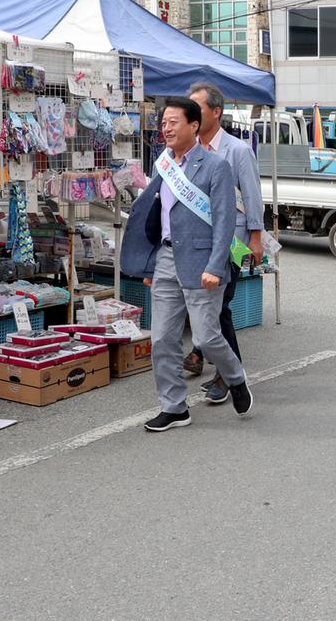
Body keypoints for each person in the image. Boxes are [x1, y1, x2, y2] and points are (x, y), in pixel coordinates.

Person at [121, 97, 252, 432]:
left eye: (173, 122)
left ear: (194, 126)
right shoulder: (161, 163)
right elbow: (155, 216)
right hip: (165, 259)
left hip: (202, 261)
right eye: (163, 122)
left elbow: (224, 221)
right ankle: (175, 407)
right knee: (163, 338)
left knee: (207, 338)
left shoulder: (215, 166)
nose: (166, 128)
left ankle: (235, 378)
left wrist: (217, 265)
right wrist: (150, 264)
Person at [179, 82, 264, 405]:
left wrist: (255, 237)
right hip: (194, 241)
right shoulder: (186, 150)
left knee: (220, 308)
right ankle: (203, 353)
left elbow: (252, 196)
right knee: (204, 304)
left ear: (216, 112)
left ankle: (227, 375)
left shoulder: (237, 151)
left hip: (231, 243)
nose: (190, 114)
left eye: (196, 107)